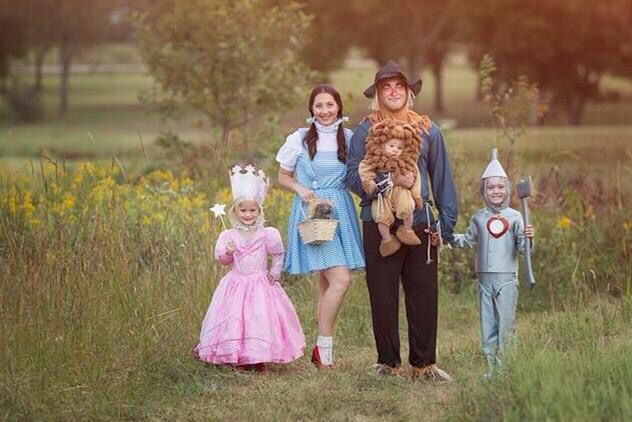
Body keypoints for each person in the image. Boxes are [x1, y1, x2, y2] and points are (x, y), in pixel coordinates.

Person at [345, 61, 457, 380]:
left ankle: (424, 365)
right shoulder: (366, 129)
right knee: (382, 293)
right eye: (386, 87)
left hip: (419, 221)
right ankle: (387, 363)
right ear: (378, 94)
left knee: (423, 292)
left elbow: (442, 177)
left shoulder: (427, 129)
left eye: (398, 86)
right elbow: (353, 174)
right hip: (378, 221)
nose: (392, 92)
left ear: (408, 92)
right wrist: (388, 181)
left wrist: (444, 225)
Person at [276, 84, 365, 368]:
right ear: (311, 110)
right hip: (314, 212)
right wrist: (300, 189)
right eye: (319, 106)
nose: (325, 111)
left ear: (338, 106)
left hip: (341, 210)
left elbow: (359, 173)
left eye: (330, 105)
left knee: (326, 283)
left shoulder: (349, 138)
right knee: (341, 280)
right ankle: (323, 351)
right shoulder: (299, 139)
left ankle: (315, 344)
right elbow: (282, 176)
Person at [193, 164, 305, 371]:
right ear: (235, 211)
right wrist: (227, 251)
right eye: (243, 210)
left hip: (260, 283)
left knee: (259, 318)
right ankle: (237, 356)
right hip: (236, 284)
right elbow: (223, 261)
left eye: (252, 210)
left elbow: (277, 254)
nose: (248, 214)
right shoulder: (228, 235)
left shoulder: (266, 233)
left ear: (259, 210)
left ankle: (259, 357)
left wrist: (274, 273)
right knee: (235, 319)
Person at [446, 149, 534, 373]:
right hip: (484, 278)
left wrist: (529, 238)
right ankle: (491, 366)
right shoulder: (478, 217)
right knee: (487, 322)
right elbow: (467, 240)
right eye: (490, 187)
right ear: (483, 190)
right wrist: (446, 237)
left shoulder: (516, 217)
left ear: (508, 189)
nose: (496, 191)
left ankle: (507, 367)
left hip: (506, 278)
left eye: (500, 186)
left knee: (506, 323)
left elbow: (524, 250)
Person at [359, 118, 424, 257]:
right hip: (382, 195)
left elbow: (416, 178)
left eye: (399, 148)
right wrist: (369, 182)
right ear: (382, 145)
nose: (395, 150)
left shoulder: (407, 162)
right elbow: (365, 169)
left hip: (401, 192)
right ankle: (387, 239)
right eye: (392, 146)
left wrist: (416, 195)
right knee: (381, 216)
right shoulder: (375, 159)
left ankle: (407, 230)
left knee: (408, 206)